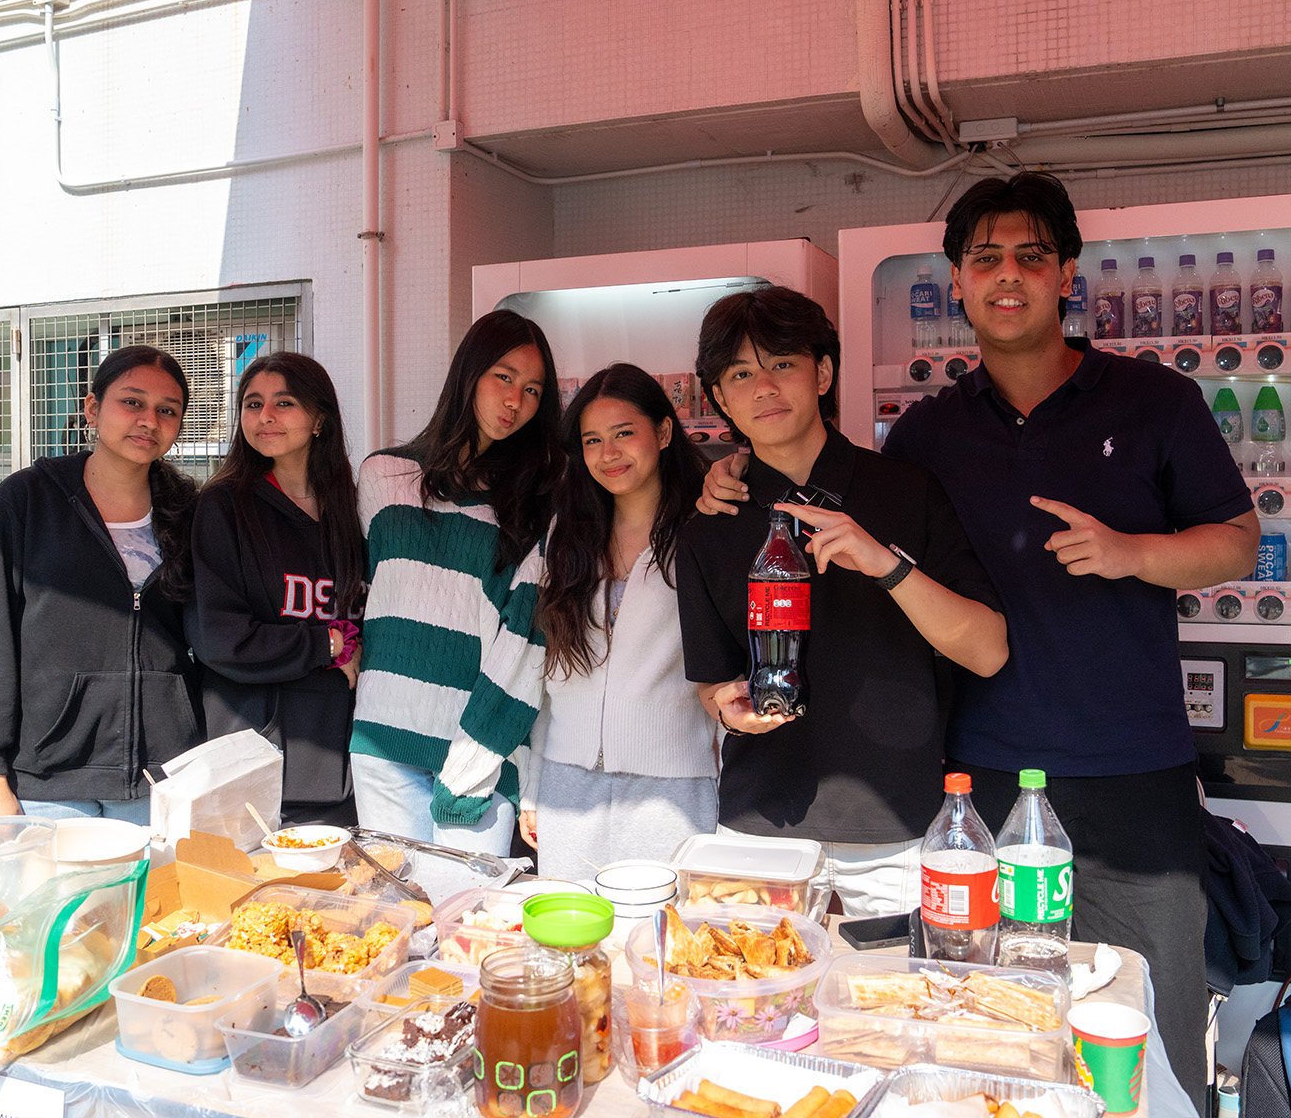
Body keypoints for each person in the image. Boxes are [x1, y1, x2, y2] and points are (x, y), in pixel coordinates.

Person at [701, 174, 1258, 1114]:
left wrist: (1131, 552)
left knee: (1147, 1015)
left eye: (1031, 256)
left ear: (1066, 274)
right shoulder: (928, 432)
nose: (1009, 276)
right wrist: (728, 473)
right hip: (974, 780)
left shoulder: (1153, 401)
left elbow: (1237, 541)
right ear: (956, 283)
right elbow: (837, 492)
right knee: (986, 1026)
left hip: (1133, 771)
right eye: (985, 259)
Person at [675, 286, 1007, 916]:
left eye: (782, 364)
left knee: (897, 1013)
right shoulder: (712, 523)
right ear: (720, 398)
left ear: (822, 372)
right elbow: (712, 680)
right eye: (740, 374)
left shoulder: (906, 492)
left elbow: (988, 651)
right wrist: (725, 709)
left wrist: (885, 564)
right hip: (757, 828)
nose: (764, 388)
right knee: (750, 1011)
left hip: (897, 832)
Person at [0, 345, 203, 823]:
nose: (148, 419)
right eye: (132, 402)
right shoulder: (27, 501)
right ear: (92, 408)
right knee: (61, 901)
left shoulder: (190, 512)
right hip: (51, 779)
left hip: (162, 778)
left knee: (152, 901)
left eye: (166, 410)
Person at [349, 310, 563, 853]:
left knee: (471, 927)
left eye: (533, 389)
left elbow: (526, 643)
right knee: (395, 923)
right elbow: (361, 591)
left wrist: (479, 756)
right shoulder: (383, 477)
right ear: (468, 373)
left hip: (479, 750)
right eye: (504, 377)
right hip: (383, 735)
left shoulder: (536, 504)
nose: (516, 401)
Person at [522, 364, 719, 876]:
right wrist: (532, 786)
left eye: (624, 433)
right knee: (569, 945)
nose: (608, 454)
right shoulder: (568, 536)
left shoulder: (702, 533)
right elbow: (550, 676)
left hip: (672, 789)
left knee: (660, 945)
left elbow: (726, 663)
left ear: (664, 431)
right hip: (568, 782)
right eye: (592, 440)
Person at [190, 352, 365, 827]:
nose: (264, 416)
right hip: (253, 757)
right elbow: (221, 639)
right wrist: (327, 643)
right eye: (252, 404)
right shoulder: (223, 505)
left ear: (319, 420)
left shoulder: (352, 507)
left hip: (342, 755)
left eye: (283, 402)